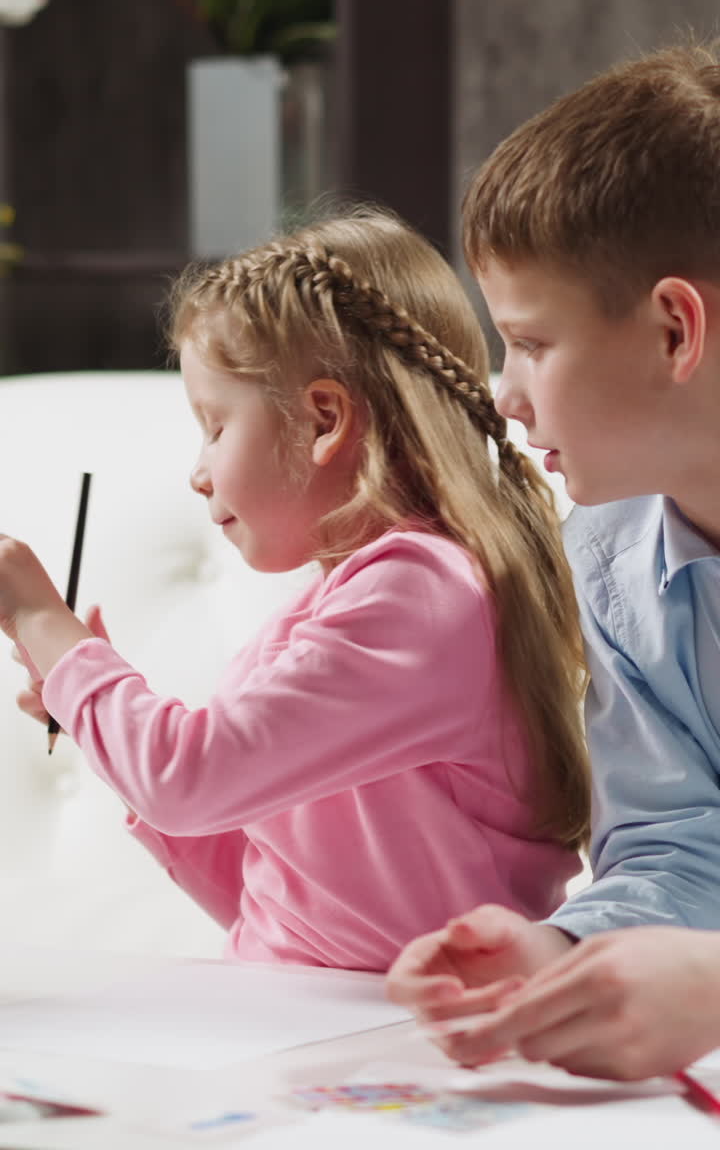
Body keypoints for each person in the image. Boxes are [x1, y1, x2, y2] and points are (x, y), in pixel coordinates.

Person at [0, 208, 589, 970]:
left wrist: (46, 623)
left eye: (215, 427)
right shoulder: (357, 600)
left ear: (323, 420)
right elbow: (276, 902)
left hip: (404, 1022)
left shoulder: (419, 597)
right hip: (312, 1010)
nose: (198, 472)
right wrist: (93, 712)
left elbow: (187, 779)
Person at [386, 42, 720, 1077]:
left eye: (530, 343)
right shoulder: (612, 565)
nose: (504, 394)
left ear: (674, 330)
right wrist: (563, 951)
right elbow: (678, 841)